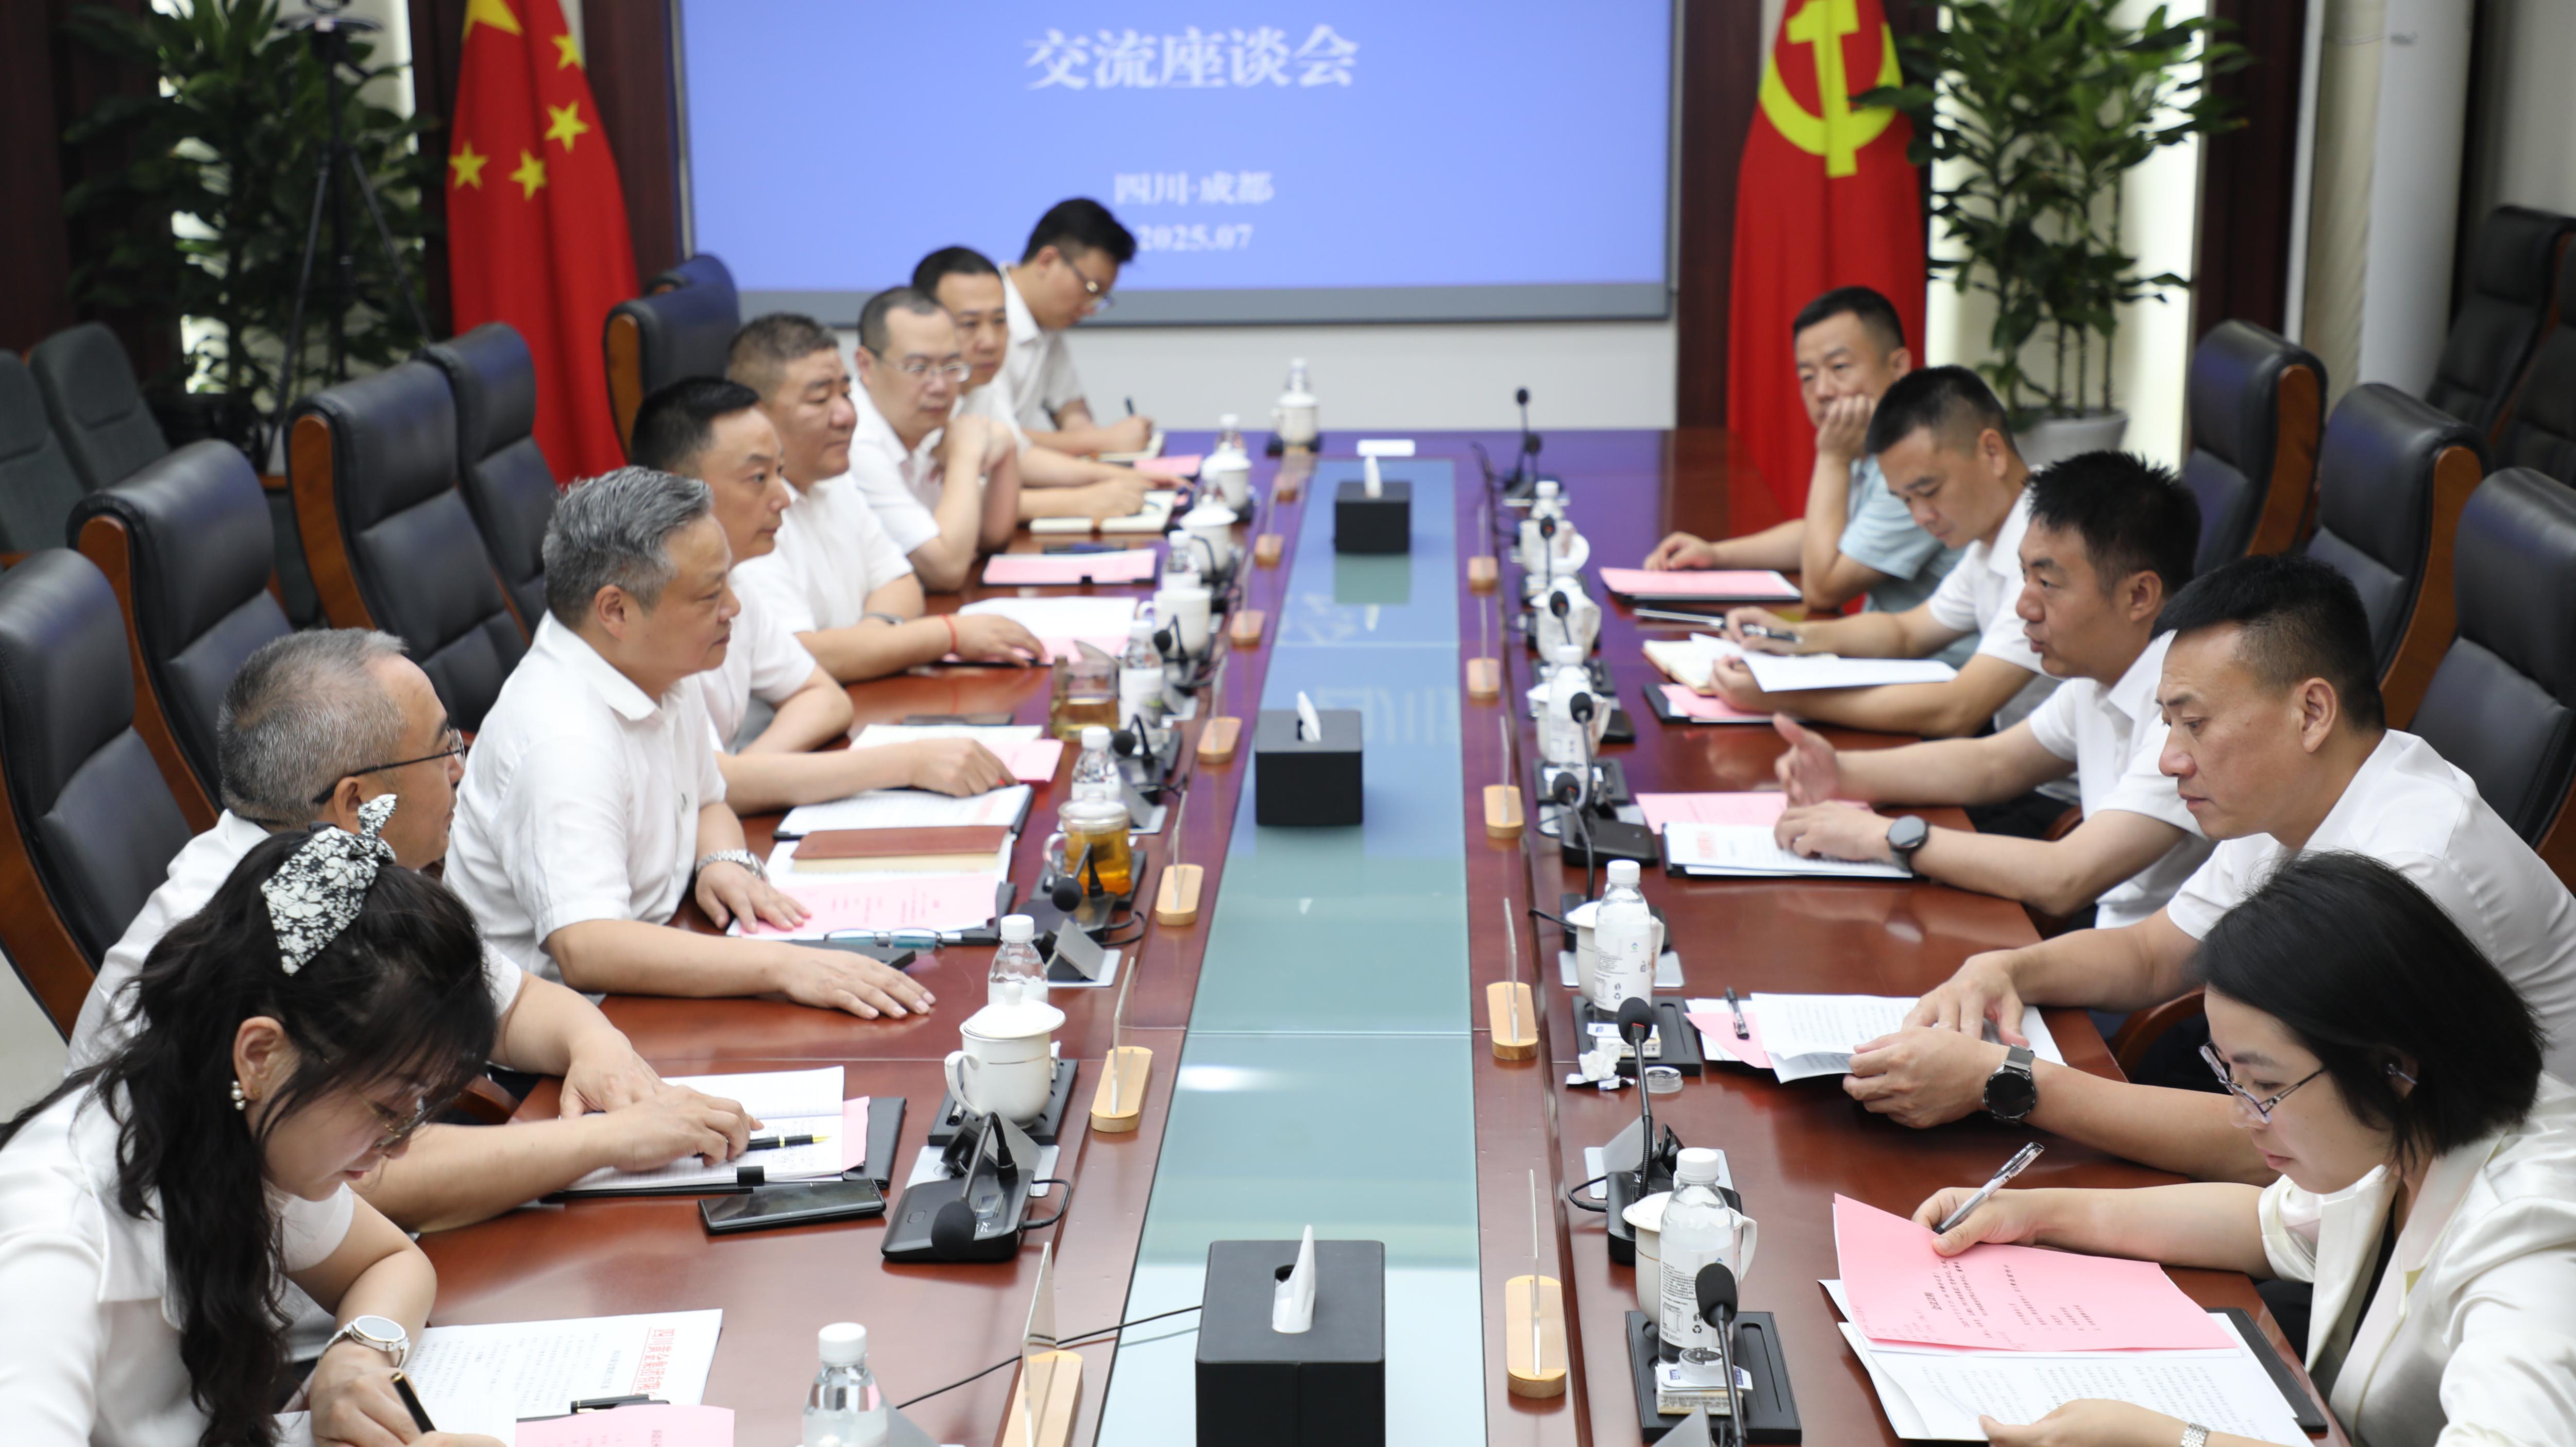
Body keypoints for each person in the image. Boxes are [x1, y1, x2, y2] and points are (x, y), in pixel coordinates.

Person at [1851, 555, 2576, 1184]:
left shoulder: (2411, 866)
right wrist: (2002, 970)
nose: (2171, 759)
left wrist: (2005, 1081)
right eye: (2167, 723)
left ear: (2311, 712)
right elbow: (2152, 953)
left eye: (2194, 723)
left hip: (2499, 1213)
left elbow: (2288, 1144)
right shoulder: (2295, 797)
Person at [66, 629, 750, 1234]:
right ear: (358, 800)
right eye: (441, 748)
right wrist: (615, 1140)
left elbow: (512, 1003)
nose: (461, 767)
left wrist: (596, 1048)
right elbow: (368, 1176)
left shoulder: (338, 866)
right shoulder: (261, 929)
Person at [1914, 853, 2576, 1447]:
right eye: (2231, 1076)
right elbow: (2268, 1225)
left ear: (2392, 1068)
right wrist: (2032, 1214)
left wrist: (2175, 1440)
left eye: (2264, 1085)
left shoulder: (2534, 1231)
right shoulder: (2407, 1128)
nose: (2242, 1115)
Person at [0, 827, 508, 1446]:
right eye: (387, 1107)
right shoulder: (55, 1243)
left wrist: (355, 1361)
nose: (399, 1144)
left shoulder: (230, 1125)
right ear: (260, 1054)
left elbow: (389, 1261)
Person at [445, 467, 936, 1020]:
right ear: (616, 610)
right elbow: (588, 946)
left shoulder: (655, 663)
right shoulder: (561, 740)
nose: (734, 607)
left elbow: (707, 797)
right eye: (709, 594)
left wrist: (720, 860)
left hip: (665, 962)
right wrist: (786, 965)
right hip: (575, 1029)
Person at [1770, 452, 2211, 929]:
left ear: (2139, 595)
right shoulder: (2101, 672)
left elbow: (2066, 877)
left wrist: (1881, 837)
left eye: (2047, 583)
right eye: (2024, 577)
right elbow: (1993, 764)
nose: (2024, 605)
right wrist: (1840, 772)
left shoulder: (2195, 712)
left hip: (2147, 968)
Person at [628, 377, 1013, 811]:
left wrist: (745, 772)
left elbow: (825, 699)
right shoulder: (647, 609)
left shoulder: (734, 582)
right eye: (758, 478)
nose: (783, 498)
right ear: (679, 489)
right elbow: (711, 784)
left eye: (780, 472)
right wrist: (905, 763)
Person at [1708, 366, 2060, 750]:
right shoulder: (1993, 537)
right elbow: (1906, 634)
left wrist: (1782, 698)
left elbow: (1958, 711)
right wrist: (1789, 635)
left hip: (2049, 784)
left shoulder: (2051, 549)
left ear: (1991, 452)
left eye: (1930, 490)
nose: (1920, 516)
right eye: (1906, 500)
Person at [1644, 286, 1967, 658]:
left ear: (1898, 366)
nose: (1823, 391)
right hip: (1890, 658)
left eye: (1839, 368)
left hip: (1937, 671)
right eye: (1808, 376)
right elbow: (1820, 534)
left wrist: (1832, 459)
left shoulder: (1920, 463)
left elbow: (1823, 589)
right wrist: (1715, 555)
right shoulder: (1873, 444)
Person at [724, 313, 1041, 682]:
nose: (846, 415)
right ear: (758, 415)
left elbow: (902, 583)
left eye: (846, 393)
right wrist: (947, 635)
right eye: (820, 399)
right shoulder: (743, 511)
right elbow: (797, 656)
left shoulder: (833, 479)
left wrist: (870, 641)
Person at [912, 244, 1151, 521]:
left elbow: (1022, 455)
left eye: (1000, 321)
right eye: (969, 324)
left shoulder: (979, 387)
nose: (990, 342)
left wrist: (1118, 477)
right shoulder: (915, 398)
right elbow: (944, 503)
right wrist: (1081, 501)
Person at [838, 286, 1023, 590]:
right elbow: (947, 569)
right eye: (919, 368)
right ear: (866, 366)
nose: (939, 386)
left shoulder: (916, 419)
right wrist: (966, 456)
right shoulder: (853, 441)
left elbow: (990, 537)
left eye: (951, 366)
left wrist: (1007, 447)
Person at [1002, 198, 1153, 456]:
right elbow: (992, 435)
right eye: (1091, 289)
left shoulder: (1048, 323)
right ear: (1047, 261)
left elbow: (1071, 409)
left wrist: (1092, 437)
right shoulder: (984, 316)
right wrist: (1100, 441)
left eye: (1101, 297)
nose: (1090, 308)